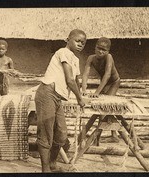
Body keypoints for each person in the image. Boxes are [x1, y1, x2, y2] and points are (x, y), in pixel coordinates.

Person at [35, 29, 86, 172]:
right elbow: (70, 80)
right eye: (77, 41)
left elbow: (76, 79)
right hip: (47, 93)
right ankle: (45, 169)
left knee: (62, 134)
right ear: (67, 39)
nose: (80, 44)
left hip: (57, 97)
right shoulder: (63, 52)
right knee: (46, 133)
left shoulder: (75, 60)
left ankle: (52, 163)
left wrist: (83, 93)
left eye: (83, 43)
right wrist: (79, 99)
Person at [81, 37, 121, 143]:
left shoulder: (109, 57)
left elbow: (107, 75)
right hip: (104, 83)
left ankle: (99, 137)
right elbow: (85, 73)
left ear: (108, 51)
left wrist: (97, 92)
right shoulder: (91, 58)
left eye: (104, 50)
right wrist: (83, 88)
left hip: (113, 82)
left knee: (106, 106)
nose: (101, 51)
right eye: (99, 48)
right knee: (101, 109)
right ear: (95, 48)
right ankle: (106, 136)